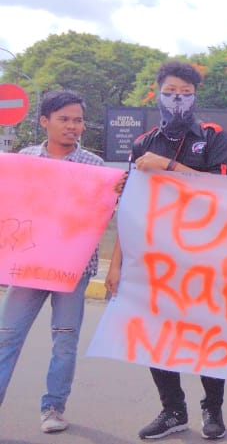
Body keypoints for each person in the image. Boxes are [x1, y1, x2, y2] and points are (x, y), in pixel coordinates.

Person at [105, 61, 227, 440]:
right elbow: (131, 209)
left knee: (206, 334)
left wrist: (169, 166)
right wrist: (116, 264)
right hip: (155, 259)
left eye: (186, 93)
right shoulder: (143, 143)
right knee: (157, 334)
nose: (178, 99)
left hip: (205, 256)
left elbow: (224, 190)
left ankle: (213, 410)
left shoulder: (213, 136)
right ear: (157, 94)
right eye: (170, 92)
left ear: (196, 97)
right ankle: (173, 410)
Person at [0, 90, 106, 434]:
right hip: (28, 267)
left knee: (64, 341)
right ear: (45, 121)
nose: (72, 126)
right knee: (6, 337)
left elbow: (102, 215)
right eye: (64, 119)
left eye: (78, 120)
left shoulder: (95, 167)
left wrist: (114, 193)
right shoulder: (24, 159)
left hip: (71, 271)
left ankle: (53, 408)